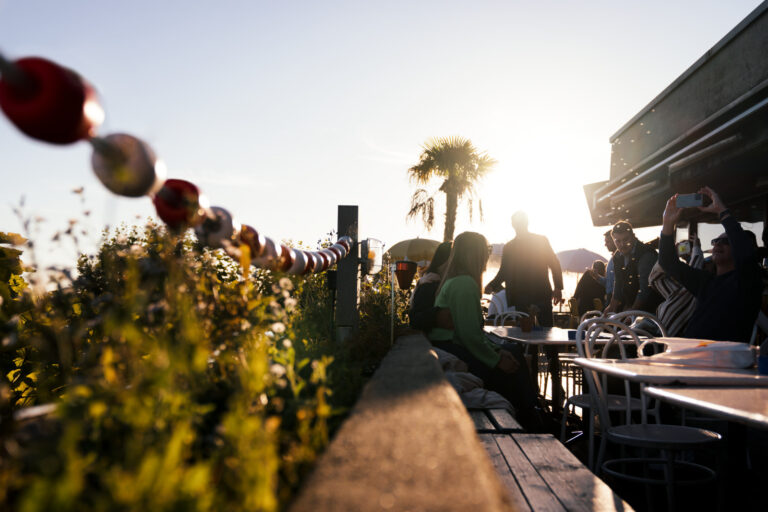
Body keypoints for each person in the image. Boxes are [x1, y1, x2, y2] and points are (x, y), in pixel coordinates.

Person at [429, 232, 539, 426]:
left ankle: (529, 413)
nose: (488, 255)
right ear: (475, 254)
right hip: (453, 348)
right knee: (512, 364)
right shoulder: (465, 284)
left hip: (446, 347)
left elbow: (470, 333)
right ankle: (530, 417)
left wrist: (497, 351)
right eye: (486, 250)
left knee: (511, 352)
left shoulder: (454, 281)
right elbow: (469, 335)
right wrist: (497, 360)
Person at [659, 186, 762, 343]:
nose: (718, 245)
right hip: (691, 354)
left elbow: (745, 253)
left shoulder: (747, 281)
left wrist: (722, 211)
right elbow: (667, 262)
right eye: (716, 241)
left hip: (723, 361)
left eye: (726, 241)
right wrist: (667, 224)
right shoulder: (706, 282)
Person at [484, 211, 563, 326]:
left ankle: (543, 344)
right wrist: (492, 285)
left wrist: (558, 288)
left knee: (544, 330)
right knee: (526, 331)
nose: (518, 225)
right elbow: (504, 271)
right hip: (523, 295)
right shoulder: (510, 247)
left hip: (537, 294)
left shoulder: (538, 241)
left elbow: (554, 263)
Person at [604, 220, 660, 314]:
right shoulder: (617, 256)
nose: (622, 244)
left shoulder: (646, 255)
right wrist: (611, 306)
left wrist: (632, 312)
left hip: (652, 310)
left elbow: (645, 290)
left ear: (633, 236)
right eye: (618, 241)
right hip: (633, 307)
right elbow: (618, 283)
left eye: (626, 239)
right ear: (614, 240)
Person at [408, 241, 453, 332]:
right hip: (432, 340)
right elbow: (416, 319)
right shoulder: (431, 282)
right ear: (446, 261)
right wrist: (439, 314)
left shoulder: (430, 279)